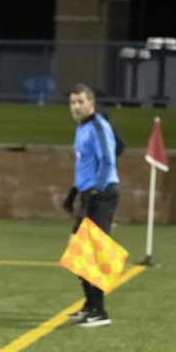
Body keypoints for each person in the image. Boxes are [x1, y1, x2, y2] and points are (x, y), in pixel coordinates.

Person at [63, 83, 121, 327]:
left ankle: (100, 311)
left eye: (80, 102)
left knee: (91, 251)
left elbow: (108, 159)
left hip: (102, 195)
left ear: (91, 103)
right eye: (73, 102)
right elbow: (86, 164)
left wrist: (97, 189)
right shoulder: (83, 127)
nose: (76, 106)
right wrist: (74, 193)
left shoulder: (98, 126)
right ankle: (89, 305)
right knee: (79, 250)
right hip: (89, 194)